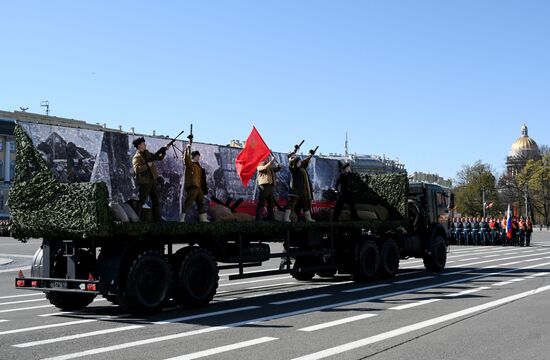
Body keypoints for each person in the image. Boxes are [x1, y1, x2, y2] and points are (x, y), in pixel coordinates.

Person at [132, 137, 171, 222]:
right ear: (139, 146)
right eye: (143, 144)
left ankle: (158, 219)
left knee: (156, 200)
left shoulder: (148, 153)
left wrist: (164, 150)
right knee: (142, 200)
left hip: (152, 180)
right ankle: (135, 220)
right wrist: (147, 165)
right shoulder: (136, 157)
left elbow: (158, 157)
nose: (145, 145)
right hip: (145, 181)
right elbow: (137, 169)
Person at [180, 144, 209, 222]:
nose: (198, 158)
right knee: (188, 202)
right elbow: (186, 159)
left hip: (199, 187)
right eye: (197, 156)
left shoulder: (198, 166)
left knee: (201, 203)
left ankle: (203, 218)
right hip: (193, 186)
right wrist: (187, 148)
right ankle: (182, 218)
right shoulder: (190, 164)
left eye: (198, 156)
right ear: (193, 157)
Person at [285, 153, 315, 222]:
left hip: (302, 191)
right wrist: (292, 159)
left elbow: (305, 162)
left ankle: (308, 218)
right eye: (299, 162)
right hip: (295, 190)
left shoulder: (301, 169)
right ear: (296, 163)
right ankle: (286, 218)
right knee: (291, 204)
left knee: (305, 204)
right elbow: (291, 164)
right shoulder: (293, 169)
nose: (300, 162)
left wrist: (310, 156)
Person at [255, 156, 281, 221]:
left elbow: (274, 170)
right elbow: (264, 168)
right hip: (264, 186)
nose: (268, 158)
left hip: (270, 186)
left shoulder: (269, 167)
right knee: (262, 203)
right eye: (267, 158)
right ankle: (258, 219)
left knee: (271, 203)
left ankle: (271, 218)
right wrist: (271, 162)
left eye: (268, 158)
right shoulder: (259, 166)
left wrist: (279, 167)